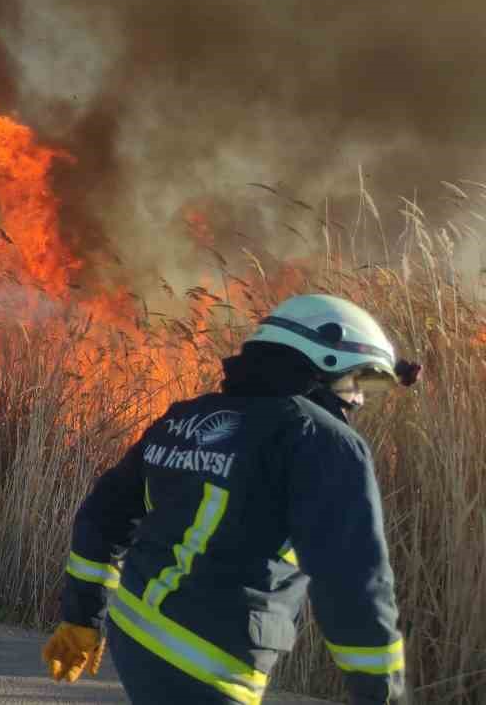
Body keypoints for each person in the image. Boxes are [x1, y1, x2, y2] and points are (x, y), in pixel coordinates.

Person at [43, 294, 414, 704]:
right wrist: (382, 693)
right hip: (210, 658)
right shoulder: (322, 439)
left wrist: (82, 616)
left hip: (135, 634)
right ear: (322, 360)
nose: (358, 399)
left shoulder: (184, 419)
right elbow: (351, 579)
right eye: (356, 381)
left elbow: (102, 516)